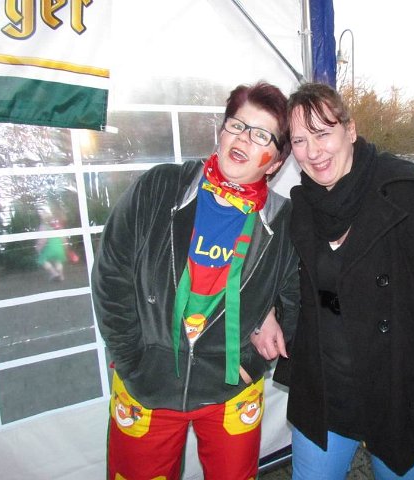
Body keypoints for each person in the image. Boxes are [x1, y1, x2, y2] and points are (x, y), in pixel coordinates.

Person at [91, 81, 299, 480]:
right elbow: (110, 277)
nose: (243, 138)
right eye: (237, 125)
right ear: (222, 130)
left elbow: (298, 300)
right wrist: (132, 361)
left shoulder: (283, 221)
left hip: (232, 391)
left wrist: (254, 356)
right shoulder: (159, 187)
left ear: (275, 162)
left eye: (261, 135)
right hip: (147, 386)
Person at [269, 82, 414, 479]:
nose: (313, 151)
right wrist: (267, 314)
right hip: (326, 394)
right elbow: (285, 283)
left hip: (400, 392)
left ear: (351, 129)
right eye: (299, 140)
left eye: (322, 133)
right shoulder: (302, 207)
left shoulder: (406, 192)